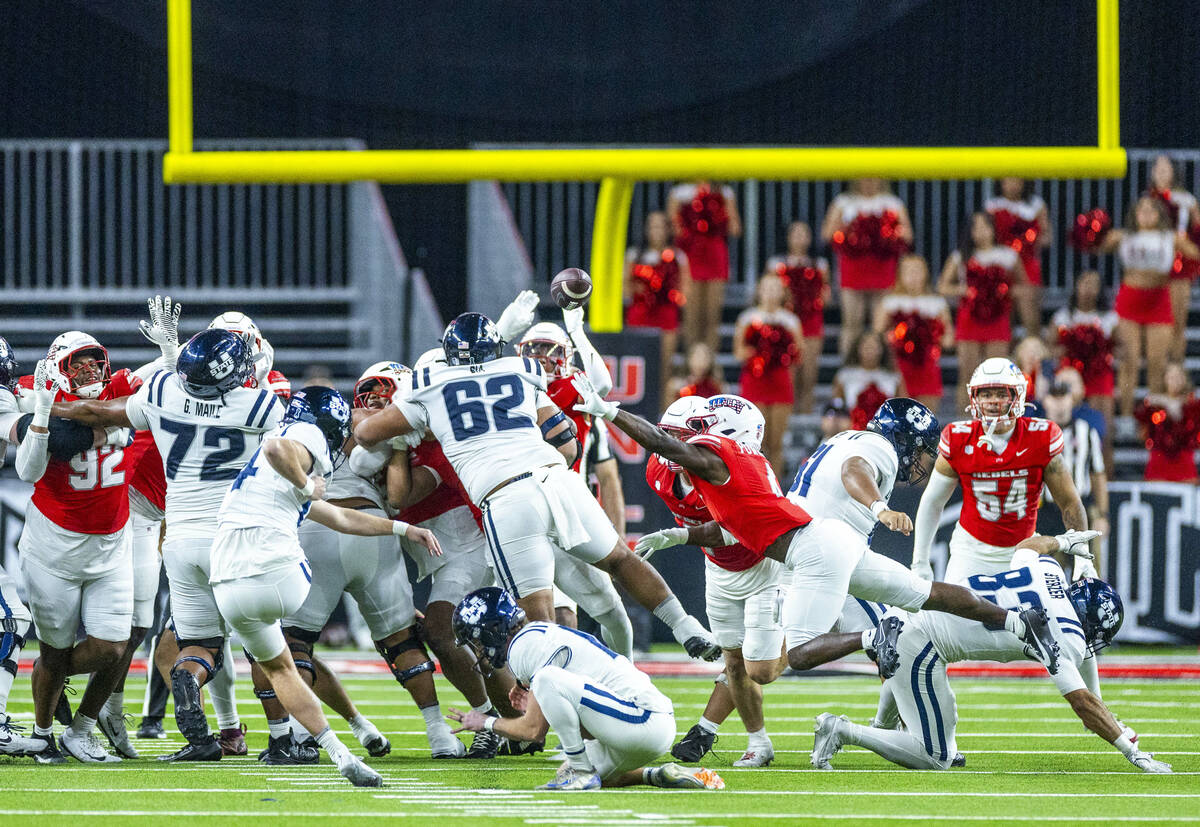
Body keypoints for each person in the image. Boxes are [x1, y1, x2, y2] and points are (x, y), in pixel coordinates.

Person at [577, 385, 1063, 677]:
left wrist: (608, 410)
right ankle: (1021, 621)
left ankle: (875, 636)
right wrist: (683, 536)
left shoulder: (719, 461)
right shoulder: (742, 465)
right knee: (927, 593)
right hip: (832, 543)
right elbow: (736, 528)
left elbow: (854, 468)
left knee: (801, 654)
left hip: (816, 552)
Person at [354, 312, 718, 658]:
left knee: (539, 617)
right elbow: (566, 440)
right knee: (620, 559)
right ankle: (686, 626)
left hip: (506, 495)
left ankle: (566, 692)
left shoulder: (429, 388)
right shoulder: (522, 372)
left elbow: (367, 433)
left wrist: (405, 431)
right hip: (557, 479)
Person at [53, 326, 284, 761]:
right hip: (196, 523)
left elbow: (113, 408)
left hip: (175, 526)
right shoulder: (260, 404)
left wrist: (50, 406)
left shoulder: (166, 391)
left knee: (159, 632)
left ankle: (219, 727)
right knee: (266, 640)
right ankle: (287, 736)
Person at [210, 387, 438, 787]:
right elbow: (279, 448)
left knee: (283, 668)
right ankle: (330, 736)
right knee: (291, 656)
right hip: (277, 573)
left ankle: (338, 751)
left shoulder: (261, 478)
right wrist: (305, 483)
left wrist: (401, 528)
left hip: (227, 583)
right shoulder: (304, 433)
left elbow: (342, 519)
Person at [811, 540, 1170, 775]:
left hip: (915, 613)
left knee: (939, 717)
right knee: (936, 756)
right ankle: (840, 730)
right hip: (918, 640)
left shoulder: (1050, 571)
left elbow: (1029, 545)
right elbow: (1082, 703)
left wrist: (1063, 542)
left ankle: (882, 726)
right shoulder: (1063, 634)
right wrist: (1129, 749)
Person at [268, 360, 456, 761]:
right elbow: (397, 495)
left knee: (295, 643)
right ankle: (438, 732)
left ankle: (302, 737)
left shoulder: (324, 415)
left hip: (320, 525)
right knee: (401, 639)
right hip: (373, 529)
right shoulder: (404, 428)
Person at [14, 331, 152, 764]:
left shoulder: (122, 388)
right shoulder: (34, 394)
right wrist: (111, 431)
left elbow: (153, 399)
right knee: (53, 648)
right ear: (57, 366)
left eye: (95, 362)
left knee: (113, 646)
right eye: (79, 363)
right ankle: (41, 735)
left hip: (111, 541)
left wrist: (167, 356)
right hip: (53, 545)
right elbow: (44, 450)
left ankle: (81, 728)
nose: (90, 370)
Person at [447, 587, 725, 791]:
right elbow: (582, 723)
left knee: (547, 681)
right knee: (573, 769)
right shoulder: (535, 637)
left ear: (492, 629)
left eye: (477, 640)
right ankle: (659, 774)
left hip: (643, 718)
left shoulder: (522, 648)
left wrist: (485, 722)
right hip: (641, 723)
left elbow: (532, 733)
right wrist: (535, 699)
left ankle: (581, 772)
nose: (479, 650)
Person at [640, 395, 786, 768]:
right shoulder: (659, 472)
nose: (669, 443)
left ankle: (808, 633)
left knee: (762, 669)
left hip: (764, 564)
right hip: (719, 569)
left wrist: (680, 537)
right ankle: (759, 742)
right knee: (734, 662)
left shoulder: (738, 470)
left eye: (680, 435)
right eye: (667, 433)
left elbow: (739, 531)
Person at [911, 357, 1090, 583]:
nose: (993, 402)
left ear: (1018, 396)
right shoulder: (958, 438)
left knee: (1037, 617)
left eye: (1001, 393)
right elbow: (932, 502)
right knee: (959, 618)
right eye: (986, 394)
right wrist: (920, 561)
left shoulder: (1040, 437)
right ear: (974, 397)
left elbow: (1070, 502)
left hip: (1024, 551)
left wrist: (1083, 556)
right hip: (971, 552)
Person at [1095, 196, 1200, 423]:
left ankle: (1155, 416)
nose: (1146, 213)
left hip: (1159, 299)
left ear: (1160, 214)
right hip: (1130, 300)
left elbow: (1195, 253)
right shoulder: (1122, 235)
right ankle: (1124, 416)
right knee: (1129, 360)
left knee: (1156, 361)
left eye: (1151, 209)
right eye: (1141, 209)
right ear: (1134, 213)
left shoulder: (1171, 237)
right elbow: (1094, 244)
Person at [939, 212, 1027, 412]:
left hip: (997, 318)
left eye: (984, 227)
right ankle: (964, 422)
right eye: (975, 227)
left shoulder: (1008, 255)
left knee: (996, 373)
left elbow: (1024, 287)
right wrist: (964, 290)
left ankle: (996, 419)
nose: (980, 232)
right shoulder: (961, 256)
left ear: (993, 229)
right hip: (969, 317)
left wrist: (1002, 292)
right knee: (968, 374)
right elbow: (943, 286)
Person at [821, 179, 913, 357]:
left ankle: (882, 365)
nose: (869, 182)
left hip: (883, 268)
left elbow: (908, 235)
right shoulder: (844, 202)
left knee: (882, 324)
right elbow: (827, 234)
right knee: (851, 323)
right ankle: (849, 364)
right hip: (853, 269)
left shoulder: (892, 203)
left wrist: (883, 234)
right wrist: (854, 234)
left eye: (874, 177)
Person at [733, 273, 801, 477]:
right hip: (755, 380)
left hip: (780, 381)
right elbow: (738, 352)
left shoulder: (790, 320)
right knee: (755, 440)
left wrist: (779, 355)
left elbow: (798, 354)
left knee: (776, 442)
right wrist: (762, 354)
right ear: (760, 291)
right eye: (767, 288)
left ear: (782, 292)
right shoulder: (747, 318)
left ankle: (776, 485)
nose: (771, 292)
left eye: (775, 288)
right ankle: (756, 482)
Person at [669, 180, 742, 354]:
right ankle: (691, 362)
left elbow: (735, 228)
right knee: (691, 314)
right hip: (690, 254)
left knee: (712, 315)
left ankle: (710, 363)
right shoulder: (680, 193)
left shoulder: (724, 192)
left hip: (715, 254)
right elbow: (672, 228)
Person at [1039, 382, 1109, 564]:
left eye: (1063, 396)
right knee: (1047, 575)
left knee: (1087, 572)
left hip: (1081, 508)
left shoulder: (1086, 431)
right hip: (1046, 512)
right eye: (1054, 397)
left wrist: (1102, 515)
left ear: (1072, 400)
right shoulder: (1036, 434)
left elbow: (1098, 475)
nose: (1059, 402)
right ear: (1046, 401)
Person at [873, 255, 953, 413]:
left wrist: (934, 339)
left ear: (926, 274)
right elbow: (877, 333)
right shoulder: (890, 302)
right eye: (908, 271)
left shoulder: (936, 303)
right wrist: (896, 339)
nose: (913, 276)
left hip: (928, 365)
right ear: (900, 275)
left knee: (927, 417)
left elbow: (949, 336)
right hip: (898, 365)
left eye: (917, 271)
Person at [765, 221, 830, 412]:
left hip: (811, 319)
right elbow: (770, 289)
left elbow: (825, 294)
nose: (800, 238)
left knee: (809, 372)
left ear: (810, 238)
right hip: (785, 321)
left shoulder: (819, 264)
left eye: (804, 233)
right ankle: (790, 412)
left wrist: (809, 300)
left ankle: (806, 411)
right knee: (789, 370)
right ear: (788, 237)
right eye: (796, 233)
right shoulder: (777, 264)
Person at [625, 211, 690, 401]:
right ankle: (640, 403)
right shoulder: (635, 255)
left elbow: (685, 290)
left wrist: (667, 292)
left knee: (664, 363)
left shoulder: (677, 256)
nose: (657, 231)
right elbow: (624, 286)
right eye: (653, 226)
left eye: (661, 226)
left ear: (668, 229)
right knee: (639, 361)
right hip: (640, 313)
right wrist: (643, 290)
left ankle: (661, 405)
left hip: (666, 314)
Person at [1051, 270, 1117, 450]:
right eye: (1084, 282)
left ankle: (1103, 470)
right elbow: (1051, 347)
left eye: (1094, 284)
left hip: (1099, 373)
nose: (1088, 288)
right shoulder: (1062, 317)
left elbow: (1120, 347)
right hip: (1071, 373)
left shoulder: (1110, 319)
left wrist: (1099, 351)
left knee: (1104, 429)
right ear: (1076, 286)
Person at [1145, 154, 1200, 362]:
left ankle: (1176, 366)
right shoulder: (1147, 199)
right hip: (1152, 265)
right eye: (1156, 168)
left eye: (1165, 168)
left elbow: (1197, 232)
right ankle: (1158, 369)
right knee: (1156, 323)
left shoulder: (1187, 200)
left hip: (1178, 264)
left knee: (1177, 321)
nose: (1160, 171)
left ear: (1174, 172)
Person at [986, 177, 1051, 335]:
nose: (1013, 184)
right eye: (1009, 179)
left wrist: (1028, 240)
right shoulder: (993, 206)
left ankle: (1033, 348)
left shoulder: (1036, 206)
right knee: (1004, 314)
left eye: (1017, 180)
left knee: (1030, 312)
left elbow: (1047, 237)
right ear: (1001, 182)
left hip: (1028, 263)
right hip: (1001, 266)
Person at [1136, 362, 1200, 483]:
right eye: (1171, 376)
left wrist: (1171, 405)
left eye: (1178, 376)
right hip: (1158, 462)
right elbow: (1142, 433)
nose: (1174, 381)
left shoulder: (1193, 404)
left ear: (1184, 379)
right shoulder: (1152, 404)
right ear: (1164, 379)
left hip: (1184, 463)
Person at [831, 331, 901, 431]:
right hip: (852, 431)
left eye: (874, 346)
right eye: (866, 346)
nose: (870, 350)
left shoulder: (893, 377)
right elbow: (836, 408)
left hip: (886, 432)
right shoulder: (844, 376)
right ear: (858, 348)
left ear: (882, 349)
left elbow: (900, 409)